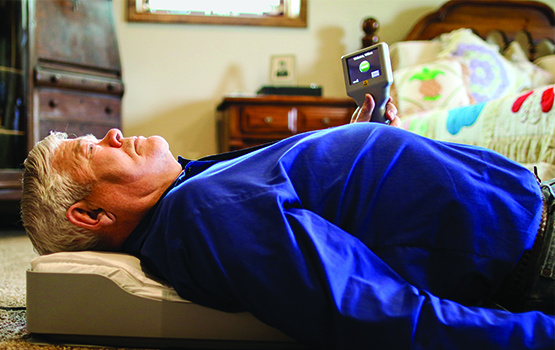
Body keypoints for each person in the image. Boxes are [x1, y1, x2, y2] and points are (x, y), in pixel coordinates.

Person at [21, 94, 554, 349]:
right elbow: (382, 315)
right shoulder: (200, 215)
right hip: (539, 251)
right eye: (93, 151)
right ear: (91, 213)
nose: (114, 134)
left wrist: (353, 151)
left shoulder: (190, 191)